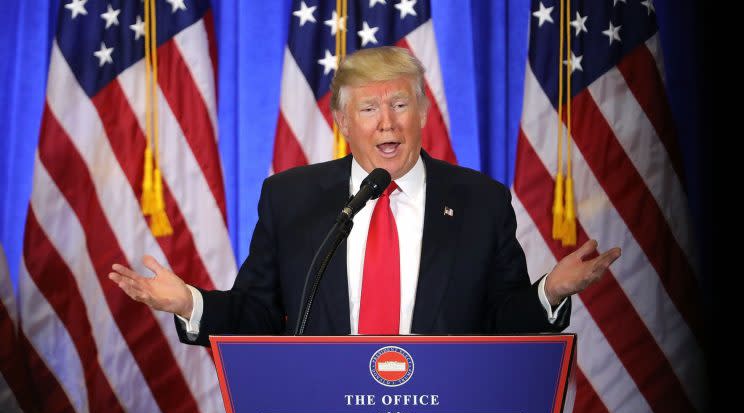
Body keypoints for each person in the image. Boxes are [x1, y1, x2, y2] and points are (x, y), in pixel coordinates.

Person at [109, 47, 620, 346]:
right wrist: (190, 303)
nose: (388, 123)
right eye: (370, 110)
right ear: (343, 122)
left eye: (400, 104)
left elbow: (500, 322)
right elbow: (259, 316)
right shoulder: (290, 198)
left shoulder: (480, 201)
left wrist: (550, 290)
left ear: (421, 113)